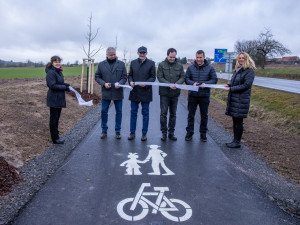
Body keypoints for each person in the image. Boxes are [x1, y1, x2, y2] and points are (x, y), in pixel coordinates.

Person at [224, 52, 256, 148]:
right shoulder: (238, 70)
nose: (241, 59)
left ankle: (237, 142)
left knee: (239, 122)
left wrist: (232, 89)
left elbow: (246, 85)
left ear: (247, 59)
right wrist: (229, 85)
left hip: (241, 100)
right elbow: (236, 83)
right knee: (235, 121)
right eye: (239, 58)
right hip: (235, 99)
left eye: (243, 58)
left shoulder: (249, 71)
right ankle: (235, 140)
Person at [185, 50, 218, 142]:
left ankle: (203, 134)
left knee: (204, 115)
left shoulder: (210, 68)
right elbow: (187, 78)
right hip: (193, 95)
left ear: (204, 57)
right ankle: (189, 132)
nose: (199, 59)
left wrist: (205, 84)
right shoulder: (190, 67)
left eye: (200, 57)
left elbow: (214, 79)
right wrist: (192, 83)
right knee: (191, 115)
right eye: (197, 57)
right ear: (195, 57)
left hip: (204, 95)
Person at [95, 47, 127, 139]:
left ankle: (118, 131)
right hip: (106, 92)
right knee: (104, 111)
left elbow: (124, 77)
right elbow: (97, 77)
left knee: (119, 112)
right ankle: (104, 130)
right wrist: (103, 83)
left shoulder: (121, 64)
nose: (113, 56)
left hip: (118, 92)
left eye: (114, 54)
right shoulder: (101, 65)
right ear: (107, 55)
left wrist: (120, 83)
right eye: (111, 55)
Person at [128, 46, 156, 141]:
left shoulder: (151, 63)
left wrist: (146, 84)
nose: (142, 54)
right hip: (134, 92)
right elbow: (130, 75)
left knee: (145, 114)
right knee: (133, 113)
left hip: (146, 92)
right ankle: (132, 133)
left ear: (146, 53)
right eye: (140, 52)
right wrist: (130, 81)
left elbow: (153, 77)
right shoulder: (133, 63)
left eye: (144, 52)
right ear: (137, 53)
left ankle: (144, 133)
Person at [157, 48, 185, 141]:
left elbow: (182, 77)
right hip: (164, 93)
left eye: (174, 57)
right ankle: (164, 133)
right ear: (167, 55)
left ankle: (171, 133)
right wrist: (169, 85)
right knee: (163, 113)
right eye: (170, 57)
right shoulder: (161, 65)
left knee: (173, 114)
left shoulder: (180, 65)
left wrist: (178, 83)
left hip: (175, 94)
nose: (172, 58)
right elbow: (160, 77)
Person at [46, 56, 70, 144]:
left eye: (59, 62)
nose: (57, 63)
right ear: (52, 63)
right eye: (55, 62)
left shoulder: (59, 71)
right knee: (54, 119)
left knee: (57, 118)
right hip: (54, 99)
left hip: (59, 98)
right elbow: (52, 85)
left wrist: (67, 85)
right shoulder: (51, 73)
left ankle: (56, 136)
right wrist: (64, 87)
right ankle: (55, 139)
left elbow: (60, 83)